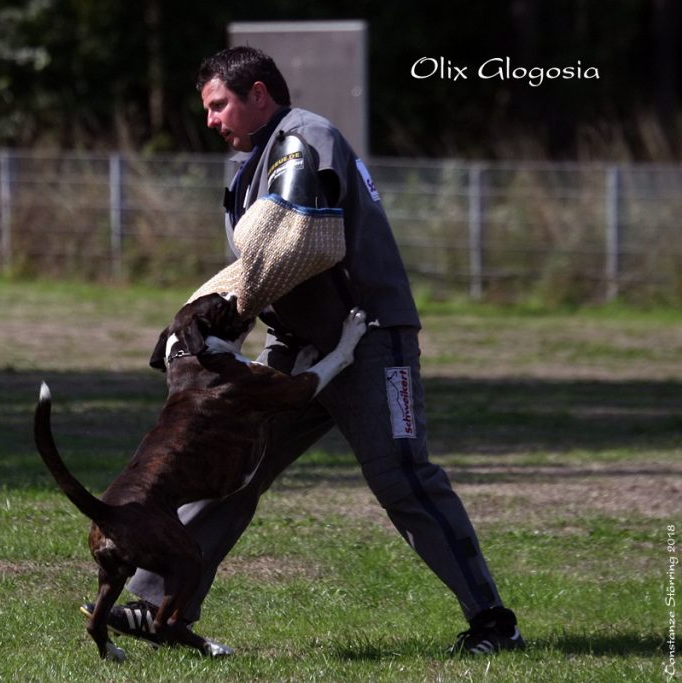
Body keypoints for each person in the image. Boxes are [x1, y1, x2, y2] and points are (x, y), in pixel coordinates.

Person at [83, 46, 524, 657]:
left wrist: (226, 308)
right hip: (294, 346)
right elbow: (255, 263)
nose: (211, 120)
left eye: (219, 105)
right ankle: (154, 602)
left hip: (368, 339)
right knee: (228, 470)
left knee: (403, 480)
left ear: (258, 93)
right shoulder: (250, 162)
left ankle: (494, 623)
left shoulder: (302, 134)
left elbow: (293, 229)